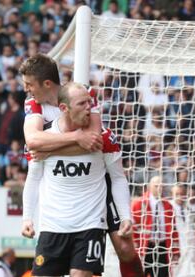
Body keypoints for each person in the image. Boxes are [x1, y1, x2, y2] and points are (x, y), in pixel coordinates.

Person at [19, 54, 143, 276]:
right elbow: (33, 141)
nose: (26, 90)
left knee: (124, 248)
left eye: (29, 85)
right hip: (59, 192)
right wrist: (76, 138)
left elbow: (94, 138)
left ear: (46, 84)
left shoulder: (83, 94)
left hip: (95, 180)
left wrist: (49, 150)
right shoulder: (33, 104)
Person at [131, 175, 179, 277]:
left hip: (163, 246)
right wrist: (135, 247)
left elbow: (173, 230)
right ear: (149, 187)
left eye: (161, 186)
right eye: (156, 186)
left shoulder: (168, 206)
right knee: (142, 273)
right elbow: (133, 228)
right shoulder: (139, 204)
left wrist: (175, 250)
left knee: (163, 274)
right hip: (146, 246)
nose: (159, 188)